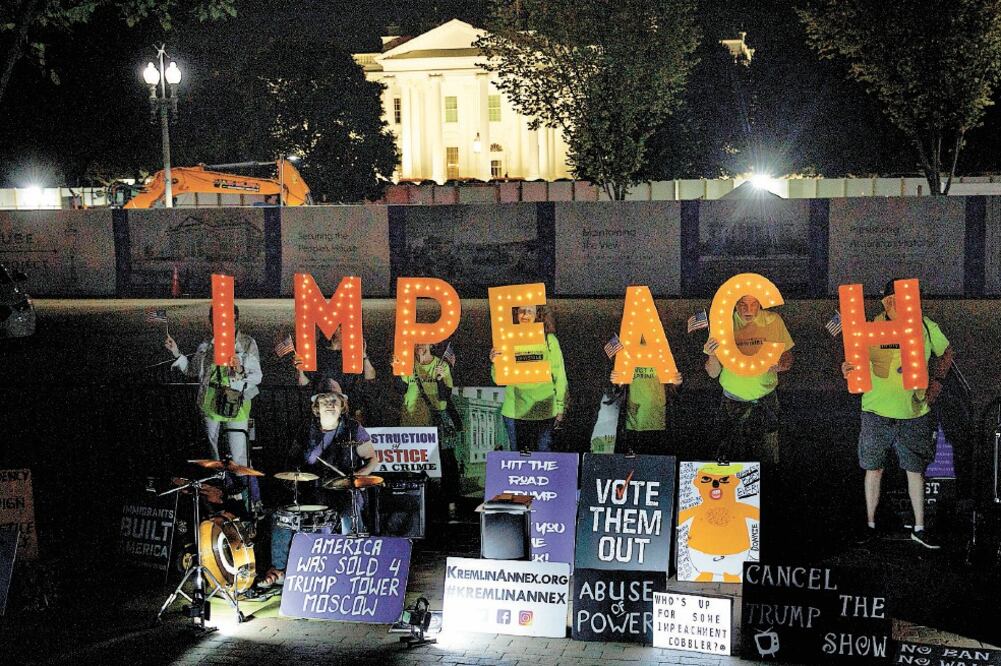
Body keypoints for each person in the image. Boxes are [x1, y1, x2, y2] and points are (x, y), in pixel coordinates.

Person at [842, 279, 953, 549]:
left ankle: (920, 528)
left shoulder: (926, 326)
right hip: (875, 410)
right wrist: (848, 370)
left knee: (915, 470)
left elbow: (946, 352)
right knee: (873, 468)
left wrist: (936, 383)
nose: (898, 303)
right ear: (886, 301)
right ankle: (869, 524)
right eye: (893, 299)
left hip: (914, 412)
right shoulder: (870, 327)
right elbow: (856, 362)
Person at [259, 391, 376, 588]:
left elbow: (373, 459)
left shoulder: (353, 428)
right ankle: (279, 569)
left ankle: (349, 564)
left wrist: (356, 478)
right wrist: (294, 477)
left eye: (334, 401)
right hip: (312, 490)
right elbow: (293, 462)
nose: (330, 404)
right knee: (282, 516)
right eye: (325, 401)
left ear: (342, 406)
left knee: (349, 512)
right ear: (317, 407)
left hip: (344, 491)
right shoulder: (306, 430)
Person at [165, 305, 263, 509]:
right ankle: (223, 499)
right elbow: (192, 371)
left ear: (237, 320)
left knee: (239, 457)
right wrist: (176, 353)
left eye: (233, 319)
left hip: (237, 405)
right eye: (221, 320)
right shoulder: (206, 346)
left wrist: (240, 371)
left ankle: (251, 502)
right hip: (210, 405)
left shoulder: (246, 343)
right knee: (214, 457)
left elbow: (257, 377)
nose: (228, 324)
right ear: (211, 323)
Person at [703, 295, 794, 466]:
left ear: (760, 303)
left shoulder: (773, 321)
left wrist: (783, 364)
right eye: (742, 304)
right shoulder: (723, 324)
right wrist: (711, 354)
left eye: (753, 304)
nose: (748, 309)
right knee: (729, 460)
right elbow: (713, 373)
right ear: (734, 304)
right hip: (732, 401)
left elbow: (788, 356)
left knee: (767, 457)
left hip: (766, 399)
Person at [489, 304, 568, 452]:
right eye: (521, 311)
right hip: (514, 411)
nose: (525, 314)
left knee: (542, 458)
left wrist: (560, 407)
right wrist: (495, 363)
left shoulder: (549, 340)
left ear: (538, 314)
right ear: (516, 314)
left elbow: (560, 376)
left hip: (544, 409)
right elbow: (497, 379)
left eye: (530, 311)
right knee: (518, 459)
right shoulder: (507, 338)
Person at [396, 343, 461, 520]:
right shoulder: (407, 363)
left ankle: (449, 505)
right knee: (414, 468)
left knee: (445, 465)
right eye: (416, 343)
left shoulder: (442, 365)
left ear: (431, 344)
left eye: (423, 343)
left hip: (436, 426)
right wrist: (395, 370)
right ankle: (417, 509)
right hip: (411, 424)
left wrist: (440, 378)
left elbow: (445, 397)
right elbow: (399, 389)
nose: (419, 347)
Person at [294, 327, 376, 424]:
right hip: (348, 354)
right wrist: (364, 356)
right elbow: (370, 379)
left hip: (325, 353)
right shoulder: (352, 395)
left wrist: (300, 368)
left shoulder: (319, 388)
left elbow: (304, 384)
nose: (331, 404)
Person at [610, 362, 683, 456]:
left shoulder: (665, 355)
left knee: (657, 464)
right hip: (632, 426)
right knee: (630, 466)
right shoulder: (626, 356)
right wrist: (618, 384)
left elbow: (677, 394)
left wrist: (677, 384)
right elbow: (616, 393)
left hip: (659, 426)